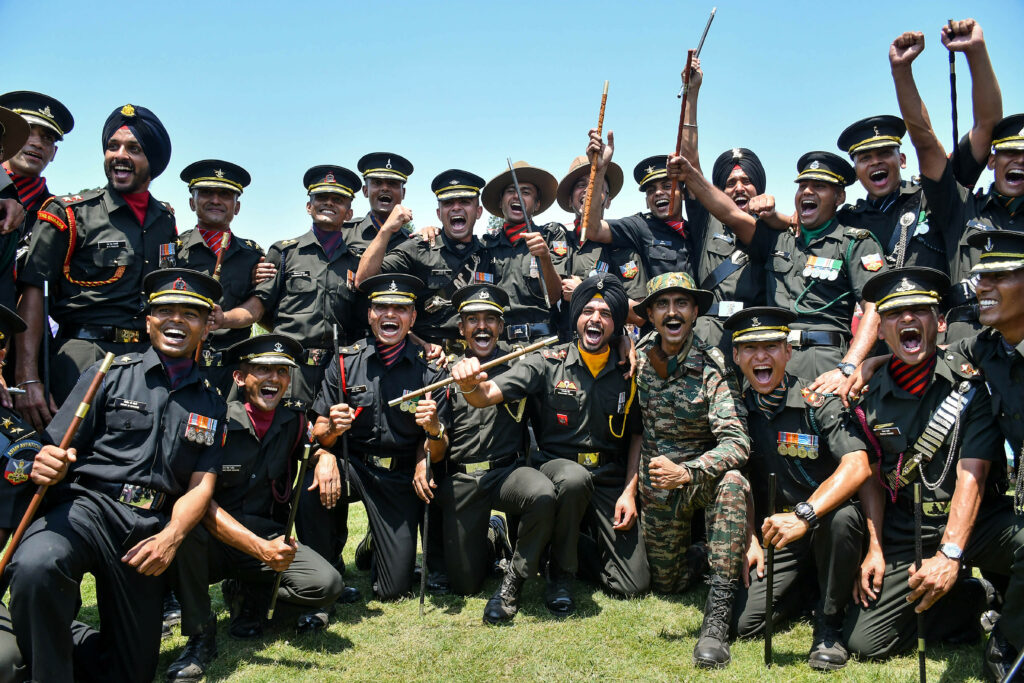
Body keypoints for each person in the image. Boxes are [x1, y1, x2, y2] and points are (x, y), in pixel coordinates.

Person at [6, 268, 226, 683]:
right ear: (148, 320)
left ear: (205, 325)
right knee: (37, 566)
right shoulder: (105, 374)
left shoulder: (212, 401)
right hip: (86, 508)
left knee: (131, 671)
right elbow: (53, 446)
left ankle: (53, 635)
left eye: (190, 314)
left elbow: (202, 485)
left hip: (146, 528)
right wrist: (47, 461)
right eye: (165, 310)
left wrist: (171, 537)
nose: (176, 320)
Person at [844, 267, 1024, 676]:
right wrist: (874, 546)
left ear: (940, 322)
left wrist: (950, 553)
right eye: (894, 314)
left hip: (975, 523)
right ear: (882, 331)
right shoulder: (866, 394)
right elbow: (872, 475)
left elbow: (971, 473)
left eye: (919, 311)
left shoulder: (970, 380)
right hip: (910, 527)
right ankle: (969, 599)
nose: (907, 319)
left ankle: (1007, 635)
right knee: (865, 644)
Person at [451, 273, 650, 615]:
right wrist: (469, 383)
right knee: (573, 479)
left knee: (632, 585)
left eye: (605, 313)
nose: (595, 319)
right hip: (557, 468)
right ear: (576, 317)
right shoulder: (546, 361)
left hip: (608, 476)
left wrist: (629, 490)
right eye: (588, 310)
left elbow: (636, 433)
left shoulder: (629, 370)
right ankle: (558, 575)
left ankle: (558, 548)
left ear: (616, 324)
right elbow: (486, 396)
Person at [165, 334, 345, 682]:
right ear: (239, 377)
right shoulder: (211, 420)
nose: (273, 379)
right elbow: (197, 500)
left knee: (327, 585)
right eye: (262, 369)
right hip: (213, 539)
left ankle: (248, 596)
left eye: (281, 371)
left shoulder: (292, 421)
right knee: (183, 533)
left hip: (265, 534)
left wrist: (324, 458)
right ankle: (201, 635)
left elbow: (310, 447)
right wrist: (259, 548)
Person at [722, 306, 871, 671]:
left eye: (772, 346)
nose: (762, 356)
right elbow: (742, 477)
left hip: (826, 524)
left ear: (788, 352)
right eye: (751, 348)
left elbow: (858, 466)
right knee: (746, 625)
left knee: (841, 520)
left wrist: (806, 515)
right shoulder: (736, 410)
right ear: (737, 356)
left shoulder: (816, 402)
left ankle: (828, 627)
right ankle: (811, 589)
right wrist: (749, 538)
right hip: (778, 534)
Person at [664, 151, 888, 392]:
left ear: (840, 196)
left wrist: (848, 367)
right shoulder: (776, 239)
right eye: (802, 186)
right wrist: (691, 176)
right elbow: (730, 214)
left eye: (819, 186)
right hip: (772, 362)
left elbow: (875, 307)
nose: (808, 192)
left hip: (827, 364)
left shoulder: (854, 243)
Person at [15, 103, 175, 426]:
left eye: (133, 148)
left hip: (144, 362)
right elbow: (32, 291)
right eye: (112, 146)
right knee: (66, 459)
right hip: (81, 359)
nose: (120, 155)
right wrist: (27, 376)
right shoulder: (69, 214)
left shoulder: (165, 221)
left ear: (153, 162)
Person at [303, 273, 451, 601]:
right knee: (311, 480)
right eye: (381, 306)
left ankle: (374, 543)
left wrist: (430, 438)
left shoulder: (431, 371)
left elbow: (437, 450)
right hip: (354, 466)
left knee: (392, 591)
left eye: (400, 308)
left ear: (412, 317)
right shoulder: (343, 362)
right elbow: (318, 432)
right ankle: (323, 570)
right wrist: (326, 446)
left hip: (399, 476)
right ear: (370, 314)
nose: (390, 314)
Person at [633, 272, 749, 668]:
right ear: (649, 315)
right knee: (668, 584)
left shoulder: (711, 366)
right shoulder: (638, 356)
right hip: (656, 489)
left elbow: (737, 442)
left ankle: (717, 618)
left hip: (697, 482)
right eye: (662, 305)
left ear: (695, 311)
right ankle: (704, 552)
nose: (672, 312)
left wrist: (690, 472)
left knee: (733, 483)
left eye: (681, 303)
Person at [435, 283, 556, 624]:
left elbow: (485, 394)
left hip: (506, 472)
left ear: (501, 327)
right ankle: (493, 534)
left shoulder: (521, 362)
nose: (482, 326)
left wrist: (470, 385)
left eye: (491, 319)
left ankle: (514, 576)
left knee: (542, 494)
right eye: (472, 320)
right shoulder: (444, 370)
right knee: (465, 585)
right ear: (461, 328)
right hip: (462, 478)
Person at [889, 21, 1011, 344]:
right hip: (964, 347)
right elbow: (927, 143)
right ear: (992, 160)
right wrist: (901, 72)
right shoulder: (961, 208)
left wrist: (975, 50)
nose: (1019, 162)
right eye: (1009, 153)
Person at [217, 165, 365, 401]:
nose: (329, 203)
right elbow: (258, 309)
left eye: (338, 200)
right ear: (309, 206)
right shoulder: (285, 252)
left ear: (348, 213)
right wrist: (223, 318)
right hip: (289, 369)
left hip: (336, 373)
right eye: (321, 198)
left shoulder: (356, 262)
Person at [355, 170, 492, 349]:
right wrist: (386, 229)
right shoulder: (418, 248)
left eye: (465, 202)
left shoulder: (490, 252)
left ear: (479, 211)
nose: (456, 208)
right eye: (448, 203)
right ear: (439, 213)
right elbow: (363, 280)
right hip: (427, 356)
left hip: (479, 353)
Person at [173, 159, 265, 394]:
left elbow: (256, 308)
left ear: (237, 207)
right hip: (180, 366)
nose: (215, 200)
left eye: (225, 194)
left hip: (231, 373)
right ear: (192, 202)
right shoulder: (174, 250)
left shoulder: (252, 255)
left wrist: (223, 319)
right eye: (206, 193)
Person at [555, 153, 646, 331]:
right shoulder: (557, 241)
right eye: (581, 185)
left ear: (608, 201)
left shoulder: (622, 246)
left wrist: (585, 291)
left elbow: (639, 315)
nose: (589, 190)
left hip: (605, 350)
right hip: (562, 348)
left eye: (596, 185)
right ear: (569, 199)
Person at [480, 160, 567, 325]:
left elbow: (555, 296)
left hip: (543, 342)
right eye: (510, 191)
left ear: (537, 204)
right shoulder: (485, 246)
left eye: (525, 192)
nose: (516, 196)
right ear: (500, 202)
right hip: (498, 343)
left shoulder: (551, 237)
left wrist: (545, 258)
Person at [0, 91, 74, 264]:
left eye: (47, 138)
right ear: (7, 138)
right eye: (26, 132)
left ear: (54, 153)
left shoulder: (60, 214)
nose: (37, 143)